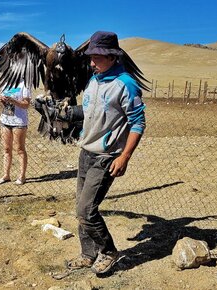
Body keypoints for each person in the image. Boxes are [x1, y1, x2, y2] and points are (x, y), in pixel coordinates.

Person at [66, 31, 146, 275]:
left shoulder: (126, 84)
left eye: (97, 57)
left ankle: (109, 251)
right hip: (86, 152)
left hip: (106, 156)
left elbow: (138, 123)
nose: (92, 62)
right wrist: (67, 114)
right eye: (90, 56)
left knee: (86, 210)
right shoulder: (94, 80)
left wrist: (124, 157)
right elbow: (90, 111)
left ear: (112, 56)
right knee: (81, 207)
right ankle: (88, 254)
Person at [0, 80, 31, 185]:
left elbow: (26, 104)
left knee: (19, 149)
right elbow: (2, 103)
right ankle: (6, 175)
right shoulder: (6, 82)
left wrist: (13, 101)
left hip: (19, 121)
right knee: (6, 149)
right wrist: (2, 100)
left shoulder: (25, 84)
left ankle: (22, 176)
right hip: (5, 120)